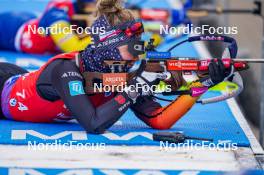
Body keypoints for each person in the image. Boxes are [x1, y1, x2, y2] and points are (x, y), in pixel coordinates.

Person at [0, 0, 230, 134]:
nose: (136, 56)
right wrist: (133, 90)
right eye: (131, 49)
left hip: (18, 78)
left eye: (139, 48)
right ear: (107, 47)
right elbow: (94, 124)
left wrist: (204, 84)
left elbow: (160, 120)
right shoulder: (65, 69)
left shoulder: (121, 77)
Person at [0, 0, 95, 54]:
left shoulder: (81, 13)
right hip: (9, 30)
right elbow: (73, 48)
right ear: (87, 5)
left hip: (27, 20)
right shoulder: (57, 15)